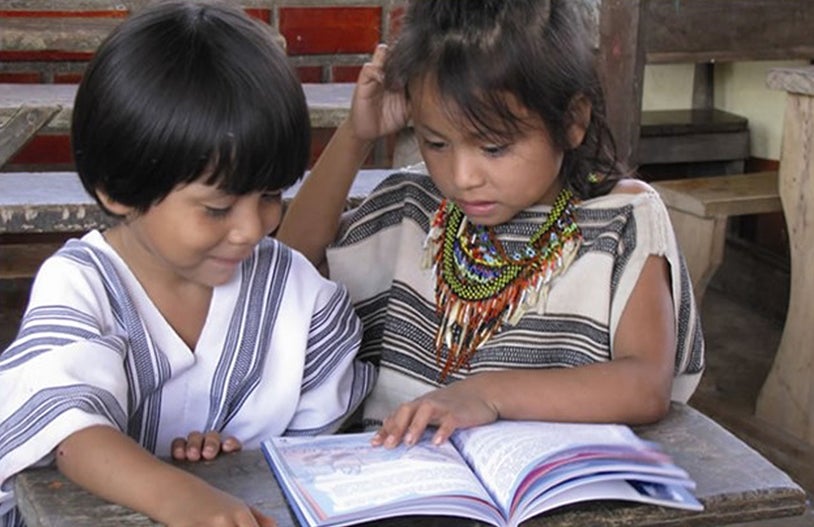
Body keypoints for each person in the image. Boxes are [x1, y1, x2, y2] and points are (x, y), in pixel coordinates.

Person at [0, 2, 375, 526]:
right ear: (119, 191)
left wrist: (238, 462)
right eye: (217, 208)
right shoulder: (84, 283)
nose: (253, 228)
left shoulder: (296, 298)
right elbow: (67, 429)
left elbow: (317, 461)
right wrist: (180, 496)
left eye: (270, 195)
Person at [277, 0, 704, 450]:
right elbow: (293, 263)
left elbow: (645, 384)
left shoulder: (619, 223)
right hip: (393, 485)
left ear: (572, 121)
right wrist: (356, 135)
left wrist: (486, 393)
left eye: (495, 148)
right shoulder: (414, 205)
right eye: (436, 143)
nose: (463, 177)